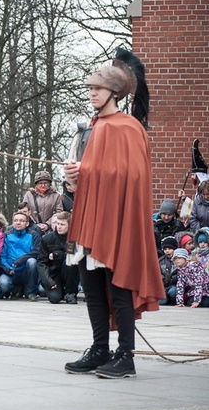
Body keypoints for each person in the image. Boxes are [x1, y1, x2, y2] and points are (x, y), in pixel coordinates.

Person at [63, 51, 163, 379]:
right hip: (88, 216)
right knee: (91, 286)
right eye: (89, 88)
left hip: (114, 221)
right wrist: (73, 178)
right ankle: (99, 348)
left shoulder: (128, 128)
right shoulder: (90, 128)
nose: (91, 92)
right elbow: (85, 179)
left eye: (97, 88)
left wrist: (88, 171)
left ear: (114, 93)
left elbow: (131, 178)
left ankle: (126, 355)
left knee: (117, 285)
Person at [0, 211, 41, 301]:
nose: (18, 222)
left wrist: (21, 259)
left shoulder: (33, 235)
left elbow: (37, 251)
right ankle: (16, 289)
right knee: (3, 284)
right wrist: (8, 269)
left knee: (32, 261)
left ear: (27, 223)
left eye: (21, 220)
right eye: (16, 220)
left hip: (27, 270)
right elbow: (2, 254)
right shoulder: (6, 235)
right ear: (12, 222)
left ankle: (31, 292)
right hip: (11, 270)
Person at [38, 212, 79, 304]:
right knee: (55, 299)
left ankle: (69, 292)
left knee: (70, 260)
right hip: (53, 273)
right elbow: (41, 262)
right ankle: (58, 290)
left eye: (62, 224)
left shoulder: (74, 239)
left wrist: (57, 254)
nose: (59, 227)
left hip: (69, 273)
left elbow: (73, 255)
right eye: (57, 223)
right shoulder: (47, 239)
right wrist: (47, 281)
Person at [22, 170, 63, 235]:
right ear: (36, 184)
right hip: (32, 229)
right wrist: (35, 225)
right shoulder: (29, 195)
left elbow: (59, 212)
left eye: (45, 183)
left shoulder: (56, 195)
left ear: (49, 183)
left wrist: (47, 224)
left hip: (51, 230)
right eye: (40, 183)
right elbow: (24, 211)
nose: (43, 185)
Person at [158, 236, 178, 305]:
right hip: (163, 286)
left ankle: (173, 301)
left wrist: (173, 279)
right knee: (161, 302)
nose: (167, 251)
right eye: (165, 249)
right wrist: (162, 279)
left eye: (169, 248)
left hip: (173, 285)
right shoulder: (161, 260)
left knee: (173, 292)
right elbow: (157, 273)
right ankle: (166, 298)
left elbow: (180, 272)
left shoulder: (178, 260)